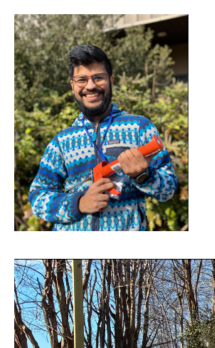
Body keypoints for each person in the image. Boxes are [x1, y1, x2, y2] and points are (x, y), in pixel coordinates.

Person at [29, 45, 177, 232]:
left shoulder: (140, 128)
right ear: (72, 85)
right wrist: (79, 203)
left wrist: (143, 176)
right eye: (81, 79)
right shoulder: (61, 141)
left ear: (111, 81)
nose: (90, 86)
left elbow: (168, 190)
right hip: (75, 261)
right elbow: (37, 197)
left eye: (98, 78)